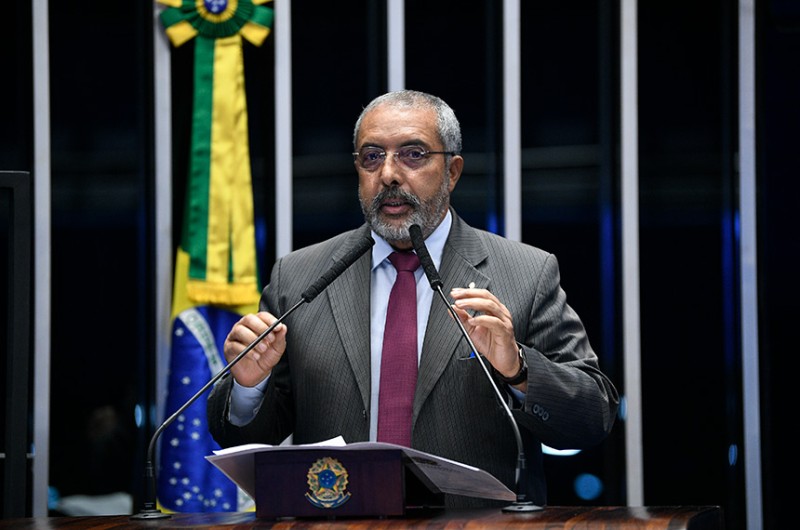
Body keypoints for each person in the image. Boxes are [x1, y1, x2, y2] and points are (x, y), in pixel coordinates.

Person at [207, 89, 619, 508]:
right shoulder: (298, 278)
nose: (388, 174)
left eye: (413, 155)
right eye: (372, 157)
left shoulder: (525, 273)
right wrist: (249, 387)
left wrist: (518, 369)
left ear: (452, 171)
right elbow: (244, 436)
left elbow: (591, 419)